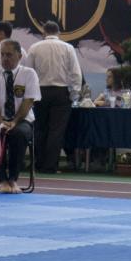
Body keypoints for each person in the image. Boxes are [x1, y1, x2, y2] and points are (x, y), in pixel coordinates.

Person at [0, 39, 41, 193]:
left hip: (22, 119)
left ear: (19, 56)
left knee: (19, 134)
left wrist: (14, 121)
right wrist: (1, 122)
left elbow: (28, 101)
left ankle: (13, 179)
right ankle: (2, 180)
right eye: (2, 55)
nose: (5, 58)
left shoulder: (29, 74)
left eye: (9, 55)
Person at [24, 20, 82, 173]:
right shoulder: (68, 48)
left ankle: (38, 164)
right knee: (56, 131)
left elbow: (28, 73)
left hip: (40, 92)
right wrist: (73, 94)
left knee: (39, 129)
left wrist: (29, 94)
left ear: (43, 32)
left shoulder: (34, 48)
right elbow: (75, 74)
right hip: (61, 93)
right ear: (59, 33)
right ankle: (50, 166)